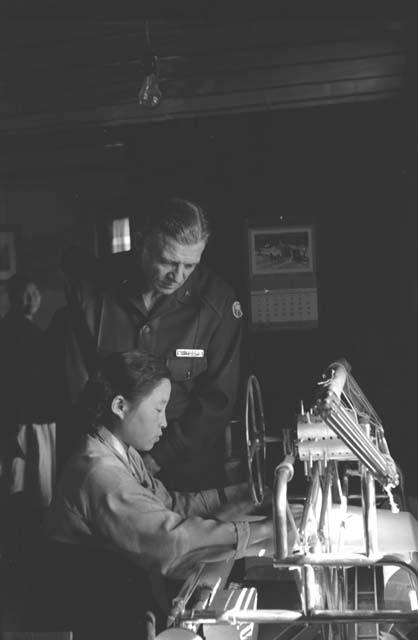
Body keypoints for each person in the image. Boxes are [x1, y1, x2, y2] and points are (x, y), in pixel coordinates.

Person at [42, 350, 296, 638]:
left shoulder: (122, 452)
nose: (164, 422)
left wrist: (240, 496)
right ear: (120, 406)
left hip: (114, 593)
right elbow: (168, 539)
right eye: (158, 409)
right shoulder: (99, 472)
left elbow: (170, 506)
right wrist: (258, 530)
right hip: (91, 608)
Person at [52, 197, 243, 490]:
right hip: (104, 465)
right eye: (167, 262)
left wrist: (155, 460)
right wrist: (115, 458)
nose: (178, 276)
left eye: (190, 266)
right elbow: (78, 388)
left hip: (186, 470)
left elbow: (218, 402)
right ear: (139, 244)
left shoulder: (217, 303)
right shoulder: (92, 292)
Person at [0, 274, 56, 552]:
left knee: (33, 484)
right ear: (12, 297)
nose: (33, 299)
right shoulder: (10, 331)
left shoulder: (34, 330)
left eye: (36, 293)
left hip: (38, 417)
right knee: (23, 484)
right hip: (22, 420)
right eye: (26, 293)